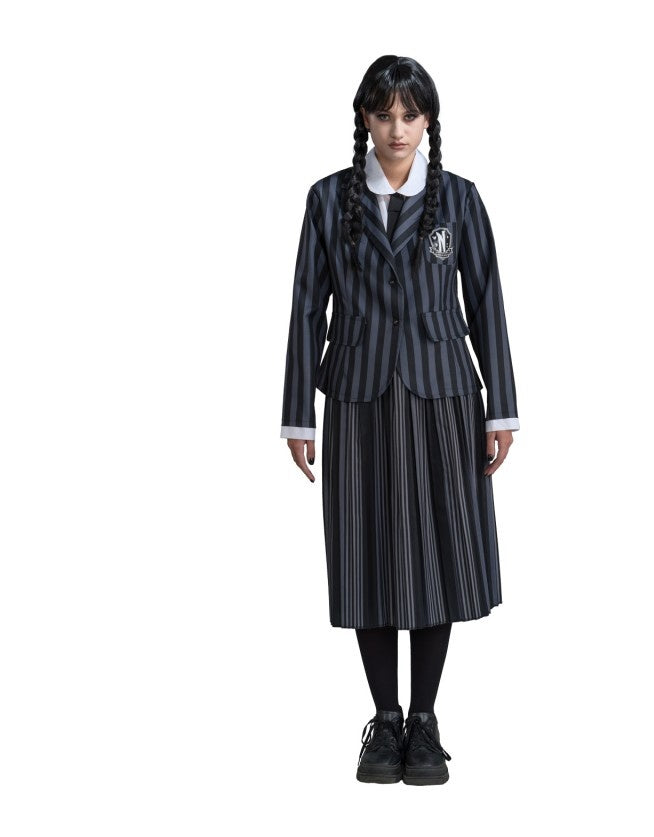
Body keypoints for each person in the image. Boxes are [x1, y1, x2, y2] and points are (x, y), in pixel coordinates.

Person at [280, 55, 519, 785]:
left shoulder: (460, 200)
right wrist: (297, 417)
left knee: (440, 551)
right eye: (383, 114)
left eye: (409, 115)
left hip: (444, 396)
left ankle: (425, 719)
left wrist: (502, 406)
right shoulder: (329, 200)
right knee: (369, 551)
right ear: (364, 118)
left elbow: (486, 301)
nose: (396, 129)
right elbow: (306, 307)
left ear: (428, 121)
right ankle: (384, 721)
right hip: (357, 397)